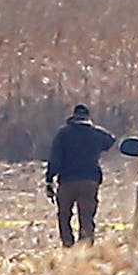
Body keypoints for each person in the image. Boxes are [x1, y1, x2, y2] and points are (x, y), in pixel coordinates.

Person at [46, 103, 115, 247]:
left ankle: (68, 244)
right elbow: (110, 140)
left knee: (64, 216)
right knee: (86, 217)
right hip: (90, 181)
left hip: (67, 182)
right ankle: (85, 247)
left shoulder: (63, 134)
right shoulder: (95, 134)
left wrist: (49, 180)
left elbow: (55, 160)